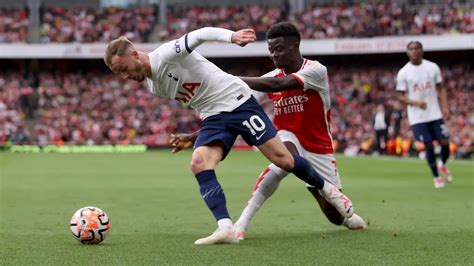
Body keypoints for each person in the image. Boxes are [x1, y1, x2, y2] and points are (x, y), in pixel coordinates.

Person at [104, 26, 354, 245]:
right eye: (119, 74)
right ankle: (226, 228)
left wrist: (232, 36)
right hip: (213, 117)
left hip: (238, 103)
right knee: (199, 163)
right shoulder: (151, 85)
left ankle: (330, 191)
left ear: (135, 55)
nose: (125, 77)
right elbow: (200, 97)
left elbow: (201, 34)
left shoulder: (166, 55)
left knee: (284, 161)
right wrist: (193, 137)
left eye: (124, 69)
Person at [169, 22, 366, 241]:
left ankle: (342, 211)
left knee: (334, 217)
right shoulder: (270, 76)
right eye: (271, 50)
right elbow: (234, 112)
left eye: (279, 49)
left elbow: (277, 85)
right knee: (283, 160)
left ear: (295, 46)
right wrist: (195, 136)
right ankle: (241, 224)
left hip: (319, 145)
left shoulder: (316, 70)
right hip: (285, 135)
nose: (274, 54)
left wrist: (228, 80)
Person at [396, 41, 452, 188]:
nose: (414, 51)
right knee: (428, 145)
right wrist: (415, 103)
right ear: (407, 52)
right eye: (411, 49)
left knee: (445, 143)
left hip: (435, 113)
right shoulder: (403, 72)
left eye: (417, 48)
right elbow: (400, 96)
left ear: (422, 50)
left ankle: (443, 163)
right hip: (417, 117)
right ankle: (436, 177)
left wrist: (445, 107)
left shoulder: (432, 67)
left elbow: (441, 89)